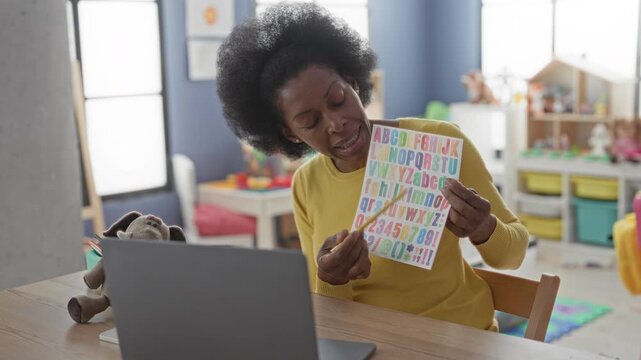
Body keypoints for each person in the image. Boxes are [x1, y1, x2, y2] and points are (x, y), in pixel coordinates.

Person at [216, 2, 528, 331]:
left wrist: (484, 229)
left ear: (353, 82)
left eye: (338, 100)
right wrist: (331, 278)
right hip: (373, 344)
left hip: (462, 338)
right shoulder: (307, 184)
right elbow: (325, 309)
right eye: (310, 122)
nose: (336, 124)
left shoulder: (440, 142)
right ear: (290, 134)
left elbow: (514, 253)